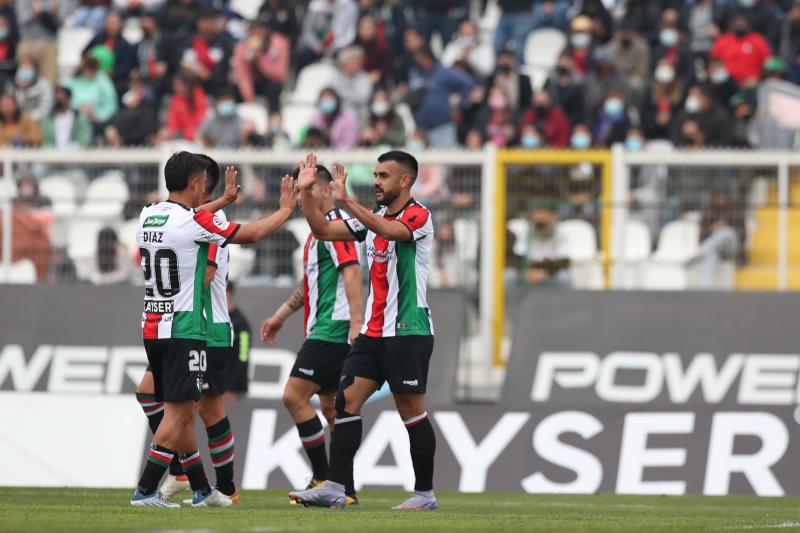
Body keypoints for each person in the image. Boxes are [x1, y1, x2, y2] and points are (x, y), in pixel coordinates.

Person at [130, 151, 296, 507]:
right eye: (203, 185)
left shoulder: (148, 215)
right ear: (194, 184)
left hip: (153, 325)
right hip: (187, 326)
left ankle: (205, 488)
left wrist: (223, 200)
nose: (206, 189)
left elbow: (190, 217)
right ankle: (147, 490)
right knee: (182, 413)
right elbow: (249, 234)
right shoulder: (199, 224)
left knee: (190, 409)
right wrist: (284, 210)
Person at [288, 151, 437, 511]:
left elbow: (390, 231)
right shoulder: (374, 217)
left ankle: (424, 494)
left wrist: (348, 201)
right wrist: (307, 194)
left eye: (384, 175)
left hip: (408, 331)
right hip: (372, 333)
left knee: (410, 409)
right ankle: (336, 487)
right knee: (344, 403)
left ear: (405, 180)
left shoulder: (418, 216)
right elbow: (322, 229)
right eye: (374, 174)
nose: (376, 181)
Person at [260, 164, 363, 505]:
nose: (302, 197)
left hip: (331, 331)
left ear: (324, 190)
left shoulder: (335, 227)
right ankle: (343, 489)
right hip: (326, 329)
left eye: (307, 189)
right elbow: (311, 285)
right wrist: (280, 315)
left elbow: (351, 273)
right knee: (331, 410)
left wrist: (354, 324)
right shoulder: (317, 233)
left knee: (294, 396)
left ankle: (322, 477)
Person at [407, 46, 474, 148]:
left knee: (445, 161)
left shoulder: (443, 72)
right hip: (420, 128)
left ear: (427, 57)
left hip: (442, 127)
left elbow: (467, 82)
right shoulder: (415, 73)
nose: (417, 61)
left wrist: (460, 106)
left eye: (419, 57)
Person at [232, 16, 290, 113]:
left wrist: (260, 58)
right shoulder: (242, 46)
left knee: (273, 88)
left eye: (259, 30)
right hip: (253, 82)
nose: (256, 34)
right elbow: (242, 74)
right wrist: (249, 98)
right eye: (252, 31)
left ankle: (274, 116)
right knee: (234, 89)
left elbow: (279, 75)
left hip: (272, 81)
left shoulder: (280, 44)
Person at [63, 56, 118, 137]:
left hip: (98, 120)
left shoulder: (103, 80)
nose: (90, 73)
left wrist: (99, 116)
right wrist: (77, 109)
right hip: (73, 119)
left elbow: (111, 103)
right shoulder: (71, 81)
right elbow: (63, 98)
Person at [16, 0, 61, 84]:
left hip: (49, 43)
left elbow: (60, 23)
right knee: (24, 78)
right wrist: (35, 12)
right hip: (28, 42)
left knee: (49, 79)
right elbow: (22, 20)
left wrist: (52, 15)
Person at [224, 281, 251, 400]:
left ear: (228, 293)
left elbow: (244, 356)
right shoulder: (210, 320)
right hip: (214, 385)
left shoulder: (241, 323)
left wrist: (232, 388)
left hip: (234, 390)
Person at [160, 73, 207, 142]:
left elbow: (201, 115)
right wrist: (170, 131)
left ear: (186, 84)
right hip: (182, 132)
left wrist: (190, 130)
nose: (175, 87)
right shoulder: (175, 98)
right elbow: (173, 118)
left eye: (178, 84)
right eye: (174, 84)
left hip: (197, 129)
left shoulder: (197, 94)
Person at [10, 55, 51, 122]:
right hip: (15, 122)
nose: (24, 69)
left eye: (28, 67)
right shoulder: (13, 84)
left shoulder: (43, 84)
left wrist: (28, 118)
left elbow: (45, 108)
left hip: (36, 122)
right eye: (22, 66)